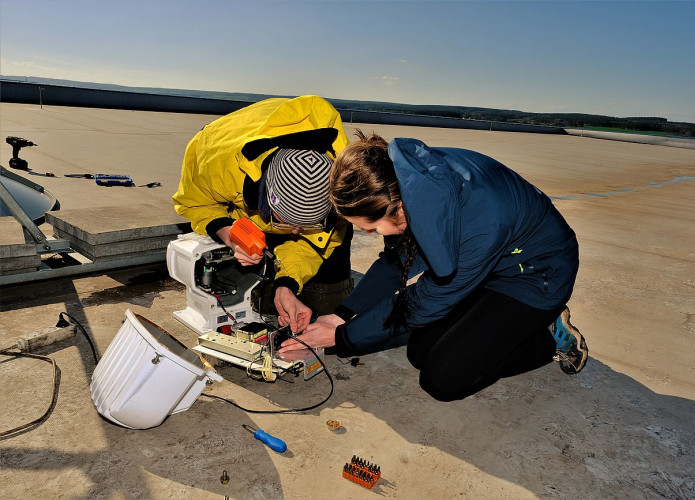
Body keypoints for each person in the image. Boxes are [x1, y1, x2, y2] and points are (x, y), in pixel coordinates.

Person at [278, 130, 588, 401]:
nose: (369, 235)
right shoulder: (406, 183)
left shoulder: (476, 226)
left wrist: (343, 337)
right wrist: (341, 315)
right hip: (492, 266)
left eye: (371, 228)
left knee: (443, 380)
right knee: (420, 352)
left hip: (537, 276)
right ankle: (502, 325)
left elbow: (420, 304)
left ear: (397, 209)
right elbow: (396, 262)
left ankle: (548, 336)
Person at [173, 95, 353, 333]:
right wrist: (229, 234)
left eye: (306, 224)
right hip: (222, 146)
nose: (297, 232)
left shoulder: (344, 185)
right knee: (258, 296)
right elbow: (195, 204)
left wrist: (285, 285)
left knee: (326, 303)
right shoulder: (214, 164)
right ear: (268, 199)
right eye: (288, 222)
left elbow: (314, 241)